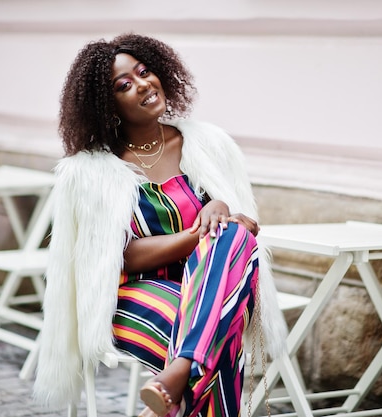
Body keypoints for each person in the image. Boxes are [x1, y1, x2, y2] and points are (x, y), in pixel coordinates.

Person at [33, 33, 287, 417]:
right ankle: (182, 379)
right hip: (132, 296)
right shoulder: (92, 173)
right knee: (222, 328)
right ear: (108, 106)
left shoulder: (208, 146)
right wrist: (194, 236)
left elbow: (236, 235)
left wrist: (219, 207)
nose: (142, 84)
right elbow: (119, 256)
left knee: (233, 236)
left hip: (213, 285)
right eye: (124, 85)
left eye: (144, 71)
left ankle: (177, 378)